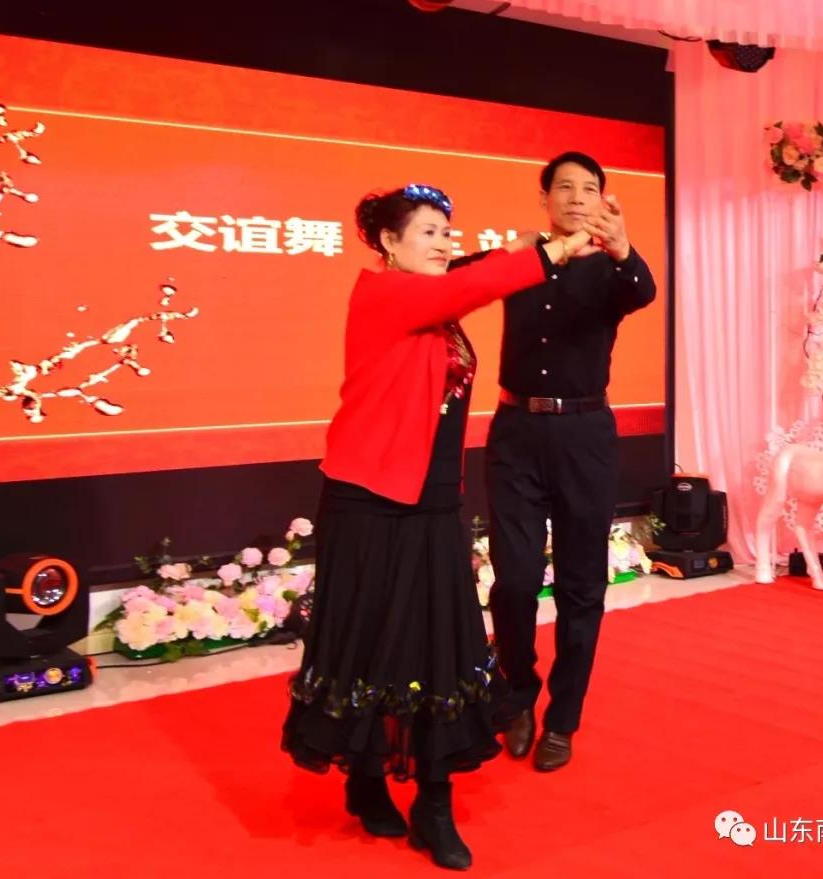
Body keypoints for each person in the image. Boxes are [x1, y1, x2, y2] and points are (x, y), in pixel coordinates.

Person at [281, 183, 591, 870]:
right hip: (370, 499)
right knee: (370, 645)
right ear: (389, 243)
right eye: (427, 232)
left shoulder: (430, 295)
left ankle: (433, 799)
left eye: (447, 232)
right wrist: (556, 248)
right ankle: (368, 781)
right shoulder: (385, 293)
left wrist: (532, 246)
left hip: (432, 502)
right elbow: (476, 282)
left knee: (438, 649)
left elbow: (473, 270)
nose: (444, 243)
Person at [485, 151, 657, 772]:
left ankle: (563, 718)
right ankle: (517, 695)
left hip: (585, 436)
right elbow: (459, 279)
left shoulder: (614, 270)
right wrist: (511, 254)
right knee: (513, 580)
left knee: (582, 585)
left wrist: (624, 249)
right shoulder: (519, 259)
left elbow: (643, 290)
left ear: (603, 201)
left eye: (589, 189)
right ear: (545, 198)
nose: (577, 198)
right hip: (516, 434)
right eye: (564, 187)